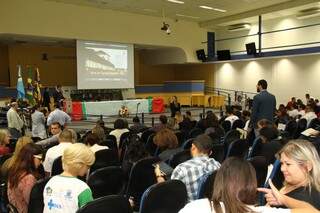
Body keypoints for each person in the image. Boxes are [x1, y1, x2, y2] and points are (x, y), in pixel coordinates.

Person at [179, 157, 319, 213]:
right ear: (252, 183)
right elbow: (312, 211)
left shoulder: (197, 207)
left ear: (219, 181)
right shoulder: (262, 211)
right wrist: (282, 199)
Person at [155, 134, 220, 201]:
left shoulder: (181, 169)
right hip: (210, 205)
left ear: (193, 147)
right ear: (210, 152)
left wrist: (159, 176)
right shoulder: (218, 165)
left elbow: (169, 194)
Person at [259, 140, 320, 210]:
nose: (282, 169)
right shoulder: (291, 182)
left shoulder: (306, 198)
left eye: (288, 164)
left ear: (308, 166)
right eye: (282, 163)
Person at [43, 143, 95, 213]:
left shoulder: (50, 182)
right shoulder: (82, 188)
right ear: (79, 165)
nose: (88, 169)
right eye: (88, 166)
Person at [7, 143, 43, 213]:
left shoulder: (13, 171)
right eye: (39, 158)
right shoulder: (29, 178)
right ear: (30, 158)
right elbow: (33, 204)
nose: (41, 162)